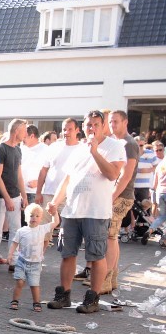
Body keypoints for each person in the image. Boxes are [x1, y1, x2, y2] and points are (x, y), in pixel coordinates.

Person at [46, 110, 125, 314]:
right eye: (89, 125)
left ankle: (93, 298)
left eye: (96, 124)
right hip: (73, 210)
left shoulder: (114, 146)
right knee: (67, 253)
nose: (92, 128)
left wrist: (95, 152)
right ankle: (63, 294)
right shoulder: (78, 149)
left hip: (96, 211)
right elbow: (68, 179)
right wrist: (55, 201)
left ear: (103, 125)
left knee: (97, 255)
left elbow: (112, 174)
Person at [104, 110, 139, 294]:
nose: (112, 125)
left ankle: (106, 279)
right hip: (116, 194)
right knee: (112, 236)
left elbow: (126, 175)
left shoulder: (129, 144)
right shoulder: (117, 143)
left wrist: (111, 196)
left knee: (110, 236)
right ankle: (112, 278)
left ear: (125, 122)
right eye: (110, 122)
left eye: (116, 121)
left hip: (122, 195)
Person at [0, 119, 28, 272]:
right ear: (16, 130)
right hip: (0, 196)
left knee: (16, 229)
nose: (25, 134)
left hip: (15, 195)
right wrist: (7, 198)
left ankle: (13, 260)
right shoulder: (1, 149)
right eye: (24, 130)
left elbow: (19, 175)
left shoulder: (18, 150)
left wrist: (23, 195)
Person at [8, 203, 59, 313]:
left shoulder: (42, 229)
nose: (34, 218)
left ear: (41, 218)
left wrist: (55, 213)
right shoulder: (21, 231)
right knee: (20, 282)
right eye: (31, 215)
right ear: (26, 217)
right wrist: (10, 255)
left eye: (37, 216)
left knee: (34, 284)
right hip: (22, 261)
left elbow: (56, 222)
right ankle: (14, 300)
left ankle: (36, 302)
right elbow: (14, 243)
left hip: (35, 263)